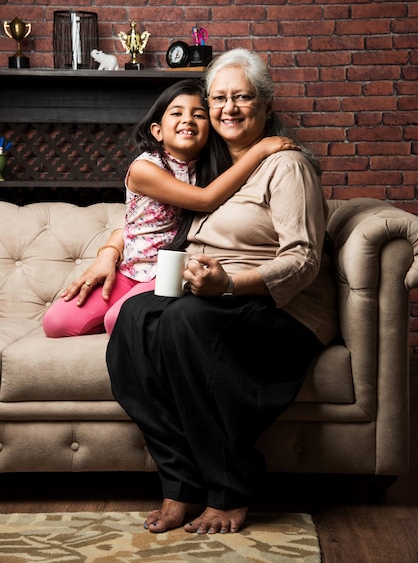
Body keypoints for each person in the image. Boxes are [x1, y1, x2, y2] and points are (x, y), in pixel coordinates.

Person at [106, 48, 339, 535]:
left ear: (266, 107)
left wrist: (228, 282)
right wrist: (109, 250)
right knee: (133, 319)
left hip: (281, 308)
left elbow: (303, 259)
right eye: (219, 99)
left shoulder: (286, 165)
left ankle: (231, 487)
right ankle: (180, 482)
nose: (228, 108)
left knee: (184, 320)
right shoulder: (211, 168)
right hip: (212, 296)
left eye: (242, 97)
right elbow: (143, 220)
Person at [43, 79, 297, 337]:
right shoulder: (144, 169)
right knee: (55, 323)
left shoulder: (214, 172)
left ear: (209, 129)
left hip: (171, 271)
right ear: (157, 131)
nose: (187, 119)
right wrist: (260, 150)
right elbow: (204, 200)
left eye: (198, 114)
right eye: (176, 113)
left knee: (117, 320)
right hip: (131, 269)